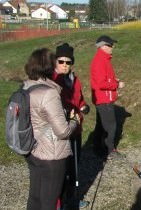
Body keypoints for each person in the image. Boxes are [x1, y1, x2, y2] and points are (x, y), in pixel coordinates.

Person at [24, 48, 79, 210]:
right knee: (49, 200)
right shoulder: (49, 92)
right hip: (52, 155)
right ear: (49, 66)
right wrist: (74, 121)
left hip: (34, 150)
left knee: (35, 197)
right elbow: (62, 131)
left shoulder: (28, 86)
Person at [53, 43, 89, 209]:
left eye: (68, 62)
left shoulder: (75, 80)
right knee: (61, 171)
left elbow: (79, 100)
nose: (65, 65)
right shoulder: (52, 81)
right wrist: (67, 113)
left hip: (76, 128)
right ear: (55, 61)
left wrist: (83, 106)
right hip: (60, 132)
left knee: (75, 166)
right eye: (61, 61)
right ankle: (59, 202)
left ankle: (73, 198)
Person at [90, 35, 125, 160]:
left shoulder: (104, 59)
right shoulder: (100, 60)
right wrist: (116, 85)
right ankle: (109, 150)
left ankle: (97, 148)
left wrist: (113, 79)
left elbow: (104, 78)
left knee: (101, 124)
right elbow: (101, 83)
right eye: (110, 45)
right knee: (110, 126)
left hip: (102, 98)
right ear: (103, 46)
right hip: (104, 99)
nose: (112, 47)